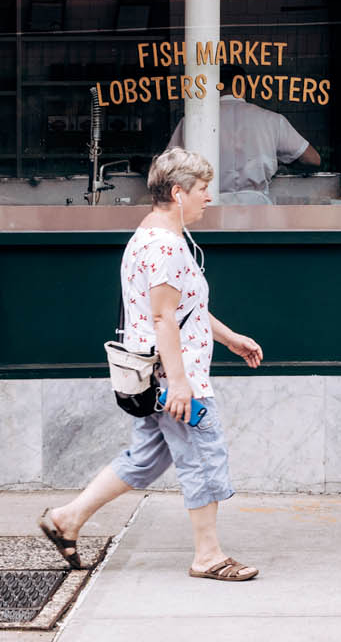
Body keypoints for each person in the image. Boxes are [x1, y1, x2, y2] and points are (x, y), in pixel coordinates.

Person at [39, 148, 265, 582]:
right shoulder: (165, 246)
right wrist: (180, 384)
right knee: (202, 456)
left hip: (152, 374)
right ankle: (209, 556)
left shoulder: (152, 234)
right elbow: (163, 317)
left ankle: (66, 519)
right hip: (172, 376)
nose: (209, 197)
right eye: (202, 190)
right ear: (178, 193)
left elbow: (185, 308)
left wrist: (230, 338)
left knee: (145, 458)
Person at [167, 95, 319, 204]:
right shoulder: (271, 119)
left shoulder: (191, 122)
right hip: (256, 207)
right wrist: (284, 163)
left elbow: (168, 169)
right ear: (241, 85)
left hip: (209, 207)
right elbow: (313, 159)